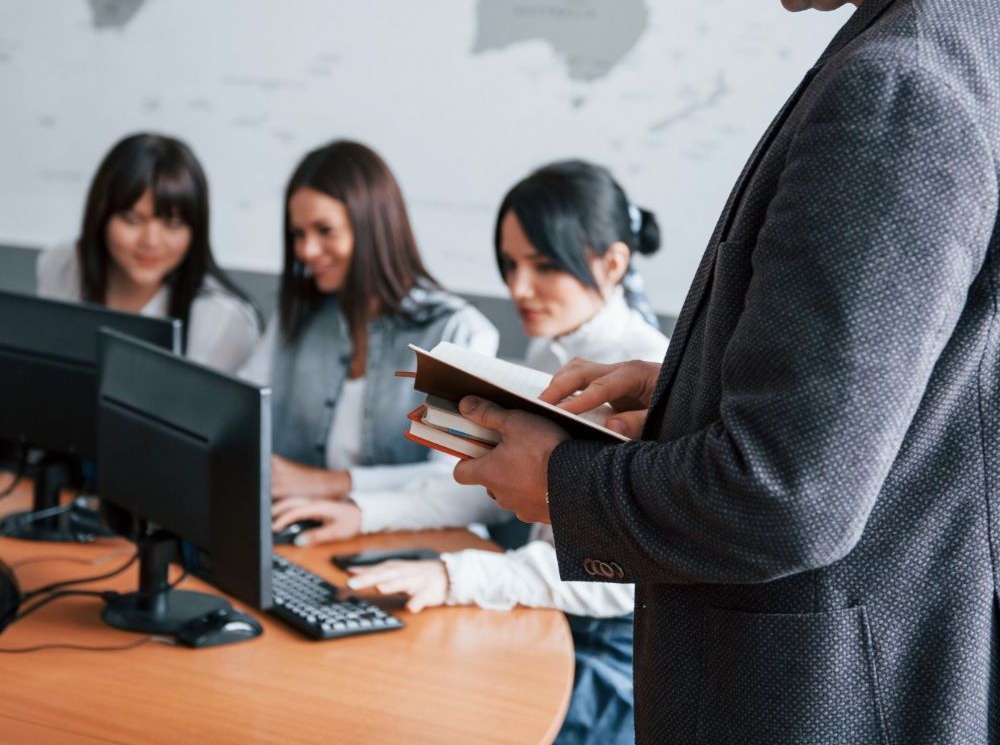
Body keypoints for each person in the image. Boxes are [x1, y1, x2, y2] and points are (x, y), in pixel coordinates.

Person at [449, 0, 1000, 743]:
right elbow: (923, 401)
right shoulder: (976, 13)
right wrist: (685, 387)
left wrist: (562, 484)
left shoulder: (901, 84)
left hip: (817, 701)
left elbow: (788, 498)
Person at [273, 160, 669, 745]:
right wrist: (363, 513)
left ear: (611, 263)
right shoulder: (549, 354)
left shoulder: (650, 376)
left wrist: (458, 575)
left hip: (606, 655)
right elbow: (486, 484)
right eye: (510, 265)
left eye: (543, 265)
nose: (518, 288)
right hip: (537, 610)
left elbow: (619, 580)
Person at [239, 139, 498, 503]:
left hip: (410, 546)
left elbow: (456, 479)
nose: (307, 251)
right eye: (298, 234)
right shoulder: (297, 313)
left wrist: (333, 484)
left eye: (324, 230)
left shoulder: (460, 332)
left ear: (371, 227)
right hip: (301, 533)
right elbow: (237, 413)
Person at [37, 132, 261, 372]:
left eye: (172, 225)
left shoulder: (221, 318)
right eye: (132, 220)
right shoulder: (63, 265)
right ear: (101, 216)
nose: (151, 242)